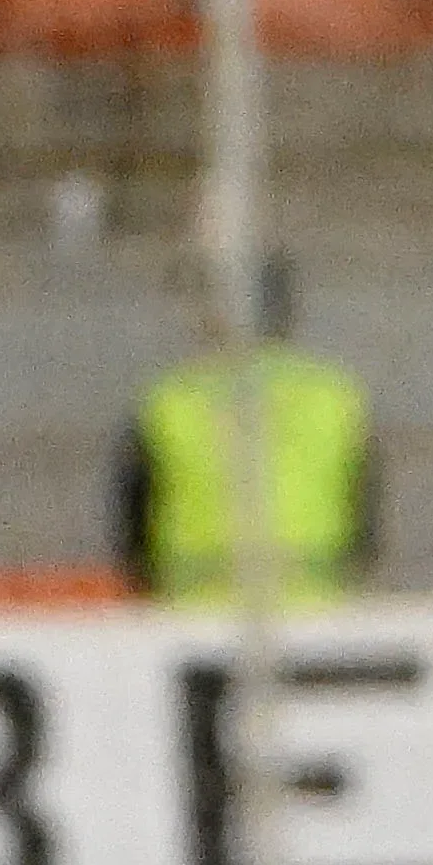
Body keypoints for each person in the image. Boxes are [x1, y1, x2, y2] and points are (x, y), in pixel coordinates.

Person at [118, 260, 378, 607]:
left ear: (211, 314)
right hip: (315, 606)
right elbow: (366, 522)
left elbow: (133, 525)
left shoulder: (169, 400)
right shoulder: (335, 395)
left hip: (192, 610)